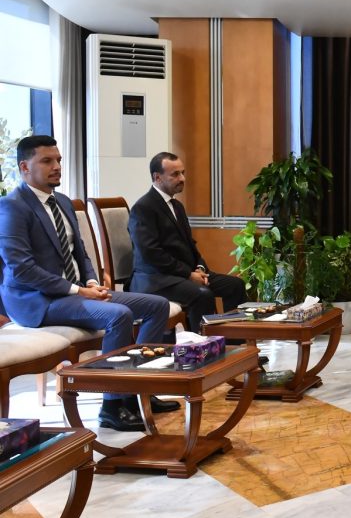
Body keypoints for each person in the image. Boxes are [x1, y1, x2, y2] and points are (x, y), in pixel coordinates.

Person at [0, 136, 171, 432]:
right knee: (118, 315)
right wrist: (79, 290)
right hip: (38, 301)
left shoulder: (63, 202)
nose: (57, 166)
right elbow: (22, 270)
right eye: (47, 161)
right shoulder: (12, 207)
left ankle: (139, 389)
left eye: (58, 160)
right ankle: (112, 405)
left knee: (157, 306)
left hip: (75, 291)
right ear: (25, 167)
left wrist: (91, 281)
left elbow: (79, 252)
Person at [129, 152, 247, 331]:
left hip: (182, 274)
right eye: (175, 174)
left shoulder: (177, 206)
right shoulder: (143, 208)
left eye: (183, 173)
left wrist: (199, 268)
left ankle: (234, 342)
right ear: (157, 177)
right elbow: (151, 253)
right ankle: (202, 344)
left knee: (235, 285)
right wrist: (188, 274)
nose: (182, 178)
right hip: (156, 280)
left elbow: (190, 244)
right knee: (202, 294)